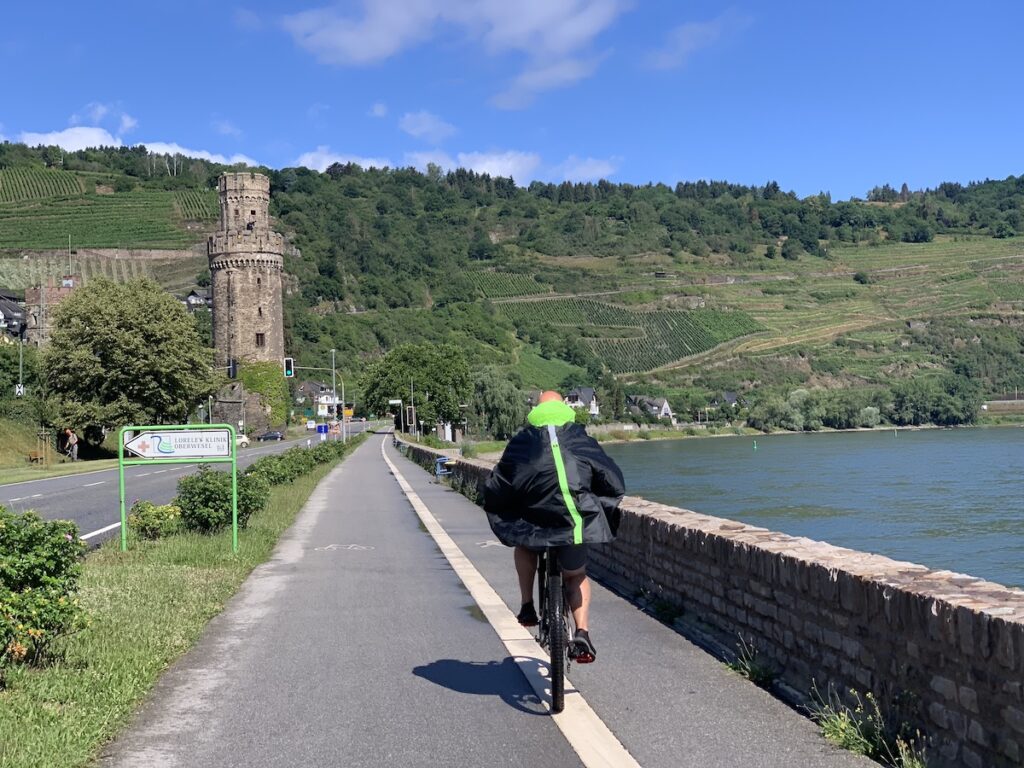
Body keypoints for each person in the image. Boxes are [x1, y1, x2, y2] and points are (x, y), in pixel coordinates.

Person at [483, 390, 625, 663]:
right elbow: (611, 478)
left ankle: (527, 607)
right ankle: (582, 632)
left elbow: (500, 482)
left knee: (523, 544)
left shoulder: (523, 441)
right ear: (565, 410)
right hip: (571, 522)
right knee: (576, 575)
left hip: (533, 523)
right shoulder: (579, 437)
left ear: (536, 413)